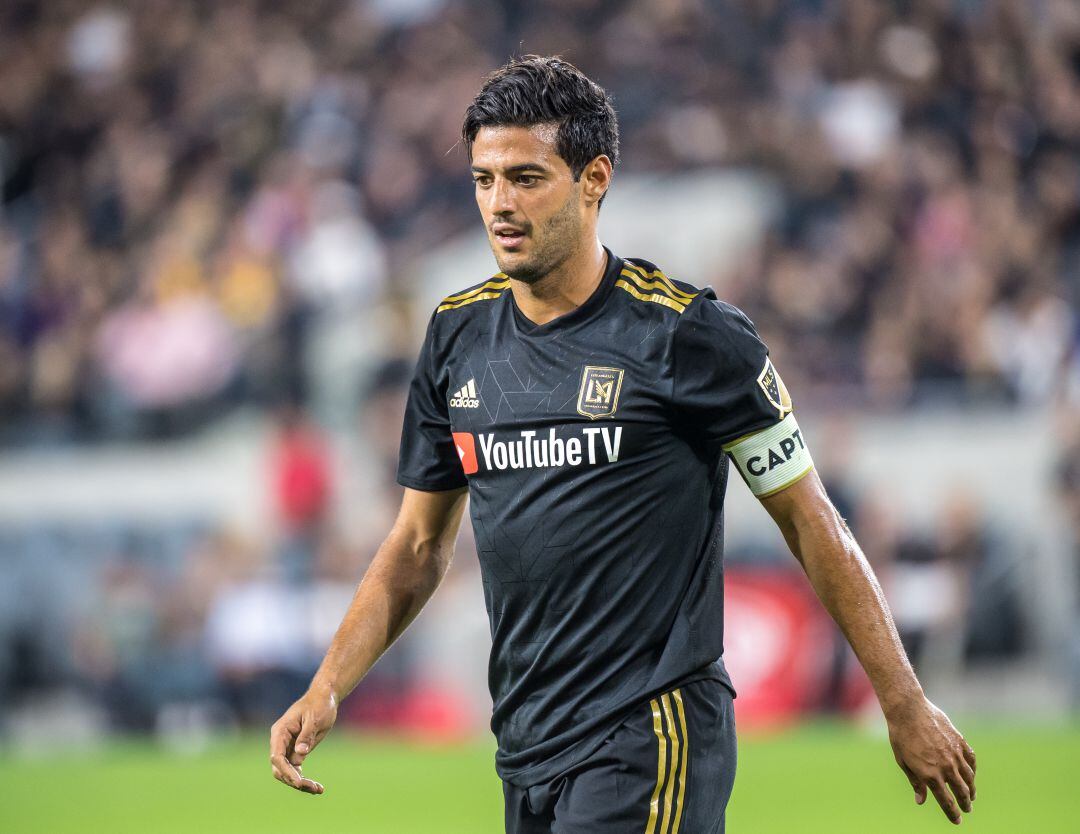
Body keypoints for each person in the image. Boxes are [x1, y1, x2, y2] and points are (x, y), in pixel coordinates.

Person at [269, 56, 976, 831]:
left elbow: (814, 522)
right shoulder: (455, 337)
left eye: (527, 178)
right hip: (527, 742)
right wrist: (328, 685)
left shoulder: (688, 335)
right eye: (483, 179)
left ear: (595, 178)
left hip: (654, 730)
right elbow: (413, 547)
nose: (500, 204)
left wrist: (904, 703)